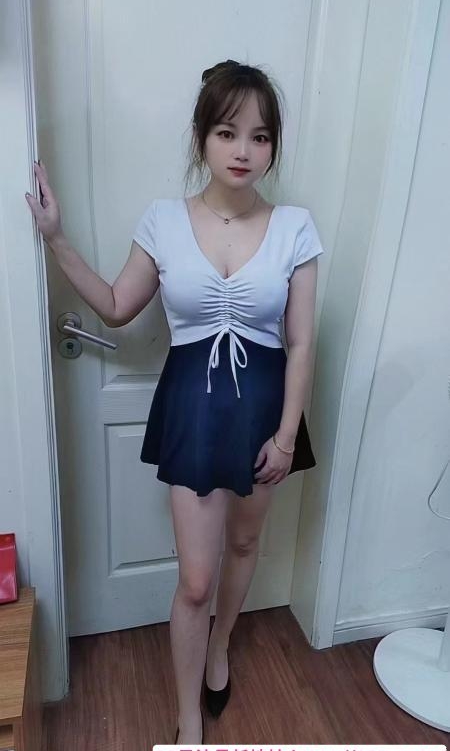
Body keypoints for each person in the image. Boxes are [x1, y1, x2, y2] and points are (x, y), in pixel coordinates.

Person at [26, 59, 324, 745]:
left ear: (273, 146)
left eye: (260, 136)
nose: (244, 150)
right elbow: (116, 305)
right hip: (192, 407)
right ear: (201, 137)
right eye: (227, 132)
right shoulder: (163, 220)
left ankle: (222, 644)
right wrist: (56, 238)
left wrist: (285, 437)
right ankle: (189, 719)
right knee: (194, 580)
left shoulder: (295, 228)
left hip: (265, 410)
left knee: (245, 542)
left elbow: (302, 342)